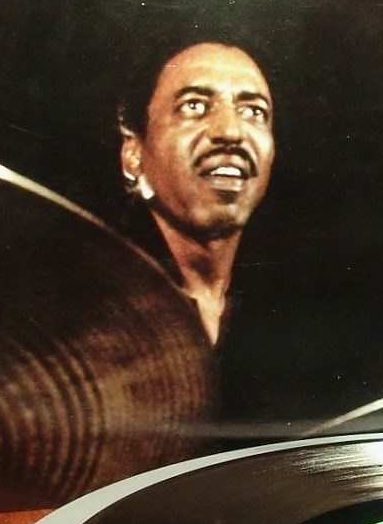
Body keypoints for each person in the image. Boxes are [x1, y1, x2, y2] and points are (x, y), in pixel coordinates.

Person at [117, 41, 274, 344]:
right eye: (194, 106)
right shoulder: (80, 302)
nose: (231, 132)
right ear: (134, 154)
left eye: (253, 111)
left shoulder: (298, 312)